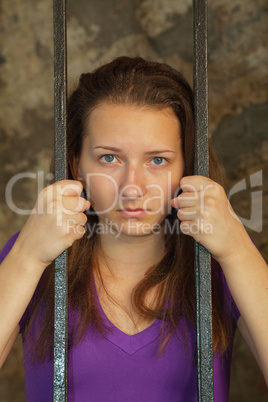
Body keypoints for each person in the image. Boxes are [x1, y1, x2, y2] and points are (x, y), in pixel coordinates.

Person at [0, 56, 267, 401]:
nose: (132, 187)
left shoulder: (221, 262)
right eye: (109, 158)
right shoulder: (33, 255)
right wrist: (27, 257)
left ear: (187, 165)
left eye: (158, 160)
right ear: (76, 164)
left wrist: (237, 250)